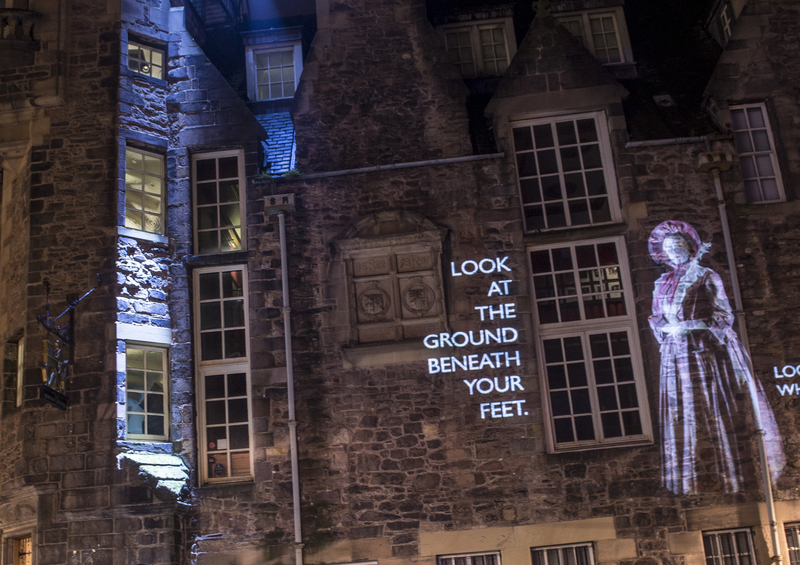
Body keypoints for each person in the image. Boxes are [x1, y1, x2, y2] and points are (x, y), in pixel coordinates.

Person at [648, 220, 784, 495]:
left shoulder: (706, 276)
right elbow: (656, 317)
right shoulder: (662, 282)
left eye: (678, 246)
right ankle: (687, 474)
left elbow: (723, 316)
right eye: (669, 248)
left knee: (711, 405)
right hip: (675, 355)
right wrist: (666, 329)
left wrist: (688, 326)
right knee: (682, 411)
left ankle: (731, 470)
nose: (674, 252)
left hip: (705, 352)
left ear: (689, 247)